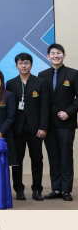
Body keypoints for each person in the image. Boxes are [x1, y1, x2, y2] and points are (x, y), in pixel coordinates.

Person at [6, 53, 49, 201]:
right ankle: (19, 189)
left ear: (31, 65)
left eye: (26, 63)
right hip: (17, 129)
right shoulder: (11, 83)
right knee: (17, 161)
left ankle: (37, 189)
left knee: (37, 160)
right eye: (20, 63)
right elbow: (9, 108)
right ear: (16, 65)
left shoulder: (40, 82)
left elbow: (45, 107)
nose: (23, 66)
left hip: (35, 129)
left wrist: (43, 127)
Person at [38, 44, 78, 201]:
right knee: (53, 156)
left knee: (66, 156)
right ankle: (56, 189)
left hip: (66, 123)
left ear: (64, 55)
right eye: (52, 53)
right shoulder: (42, 75)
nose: (56, 56)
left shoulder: (73, 74)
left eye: (58, 53)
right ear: (48, 56)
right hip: (49, 124)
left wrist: (69, 112)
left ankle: (66, 190)